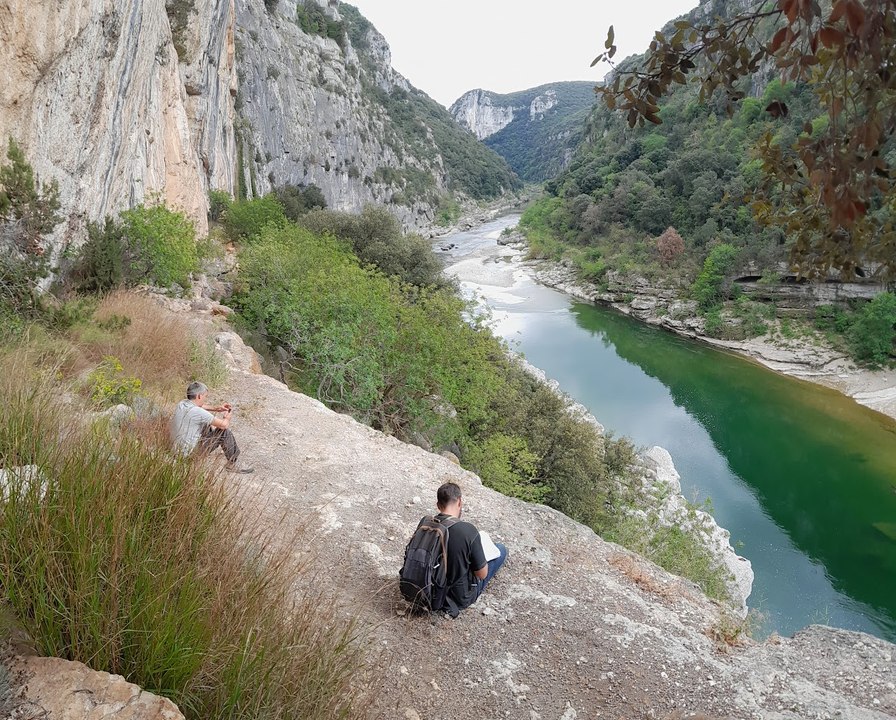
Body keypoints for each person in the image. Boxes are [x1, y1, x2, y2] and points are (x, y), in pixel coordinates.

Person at [434, 481, 507, 616]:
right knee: (501, 549)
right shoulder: (467, 530)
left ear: (438, 505)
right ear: (459, 502)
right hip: (456, 598)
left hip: (428, 587)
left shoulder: (427, 524)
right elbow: (481, 574)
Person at [170, 381, 253, 473]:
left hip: (177, 451)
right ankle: (232, 464)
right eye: (205, 396)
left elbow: (201, 406)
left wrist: (216, 408)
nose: (205, 399)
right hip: (189, 455)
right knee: (224, 432)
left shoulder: (182, 404)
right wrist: (227, 418)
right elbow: (223, 425)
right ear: (199, 396)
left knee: (206, 424)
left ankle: (210, 450)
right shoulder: (198, 412)